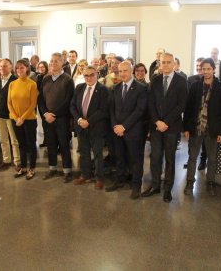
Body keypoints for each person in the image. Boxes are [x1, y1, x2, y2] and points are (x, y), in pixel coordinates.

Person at [144, 53, 188, 202]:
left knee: (170, 158)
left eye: (169, 62)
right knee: (155, 157)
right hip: (156, 126)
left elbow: (181, 105)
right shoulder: (155, 80)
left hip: (172, 127)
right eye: (163, 62)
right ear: (159, 64)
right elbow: (150, 103)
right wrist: (157, 121)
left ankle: (168, 189)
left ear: (174, 63)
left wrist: (166, 122)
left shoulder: (181, 81)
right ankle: (155, 185)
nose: (166, 65)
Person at [183, 58, 221, 196]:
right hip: (196, 127)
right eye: (204, 69)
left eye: (209, 69)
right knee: (192, 156)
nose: (206, 71)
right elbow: (188, 108)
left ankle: (210, 182)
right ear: (201, 70)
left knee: (212, 158)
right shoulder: (195, 86)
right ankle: (190, 181)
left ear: (213, 69)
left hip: (212, 128)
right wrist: (186, 128)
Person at [105, 61, 147, 199]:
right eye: (120, 71)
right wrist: (115, 126)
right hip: (117, 131)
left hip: (133, 131)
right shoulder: (115, 88)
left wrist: (124, 126)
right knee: (119, 157)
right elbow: (111, 110)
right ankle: (119, 179)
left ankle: (136, 186)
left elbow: (140, 110)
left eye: (125, 71)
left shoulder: (141, 88)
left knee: (135, 159)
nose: (122, 74)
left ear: (132, 72)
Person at [70, 65, 109, 189]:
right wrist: (80, 119)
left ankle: (99, 178)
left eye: (91, 75)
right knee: (84, 153)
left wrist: (89, 121)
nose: (89, 77)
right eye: (86, 75)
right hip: (81, 127)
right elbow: (72, 106)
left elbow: (103, 110)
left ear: (97, 74)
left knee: (98, 154)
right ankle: (85, 175)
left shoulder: (103, 90)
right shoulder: (79, 88)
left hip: (96, 128)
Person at [38, 52, 74, 182]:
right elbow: (41, 99)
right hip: (47, 118)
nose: (53, 63)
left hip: (62, 119)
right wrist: (45, 113)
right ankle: (52, 169)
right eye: (51, 61)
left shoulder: (67, 79)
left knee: (64, 145)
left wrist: (55, 114)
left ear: (62, 63)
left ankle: (67, 171)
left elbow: (69, 100)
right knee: (51, 145)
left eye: (56, 61)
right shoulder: (46, 79)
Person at [7, 59, 38, 180]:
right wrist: (16, 118)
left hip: (29, 119)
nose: (19, 70)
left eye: (22, 67)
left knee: (31, 144)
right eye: (17, 68)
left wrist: (22, 118)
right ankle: (23, 167)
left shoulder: (32, 84)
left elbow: (33, 104)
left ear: (27, 69)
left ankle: (32, 168)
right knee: (21, 145)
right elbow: (9, 103)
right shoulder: (12, 84)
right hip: (15, 120)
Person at [0, 59, 20, 170]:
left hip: (11, 115)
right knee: (3, 139)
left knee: (14, 140)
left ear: (10, 67)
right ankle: (6, 160)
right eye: (1, 66)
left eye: (5, 66)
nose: (2, 68)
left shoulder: (15, 80)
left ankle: (17, 161)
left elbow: (17, 100)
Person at [36, 61, 49, 148]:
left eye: (43, 67)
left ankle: (49, 141)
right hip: (40, 102)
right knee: (44, 122)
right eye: (40, 67)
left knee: (47, 122)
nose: (41, 68)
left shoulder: (48, 77)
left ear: (46, 68)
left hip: (47, 102)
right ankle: (46, 140)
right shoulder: (38, 76)